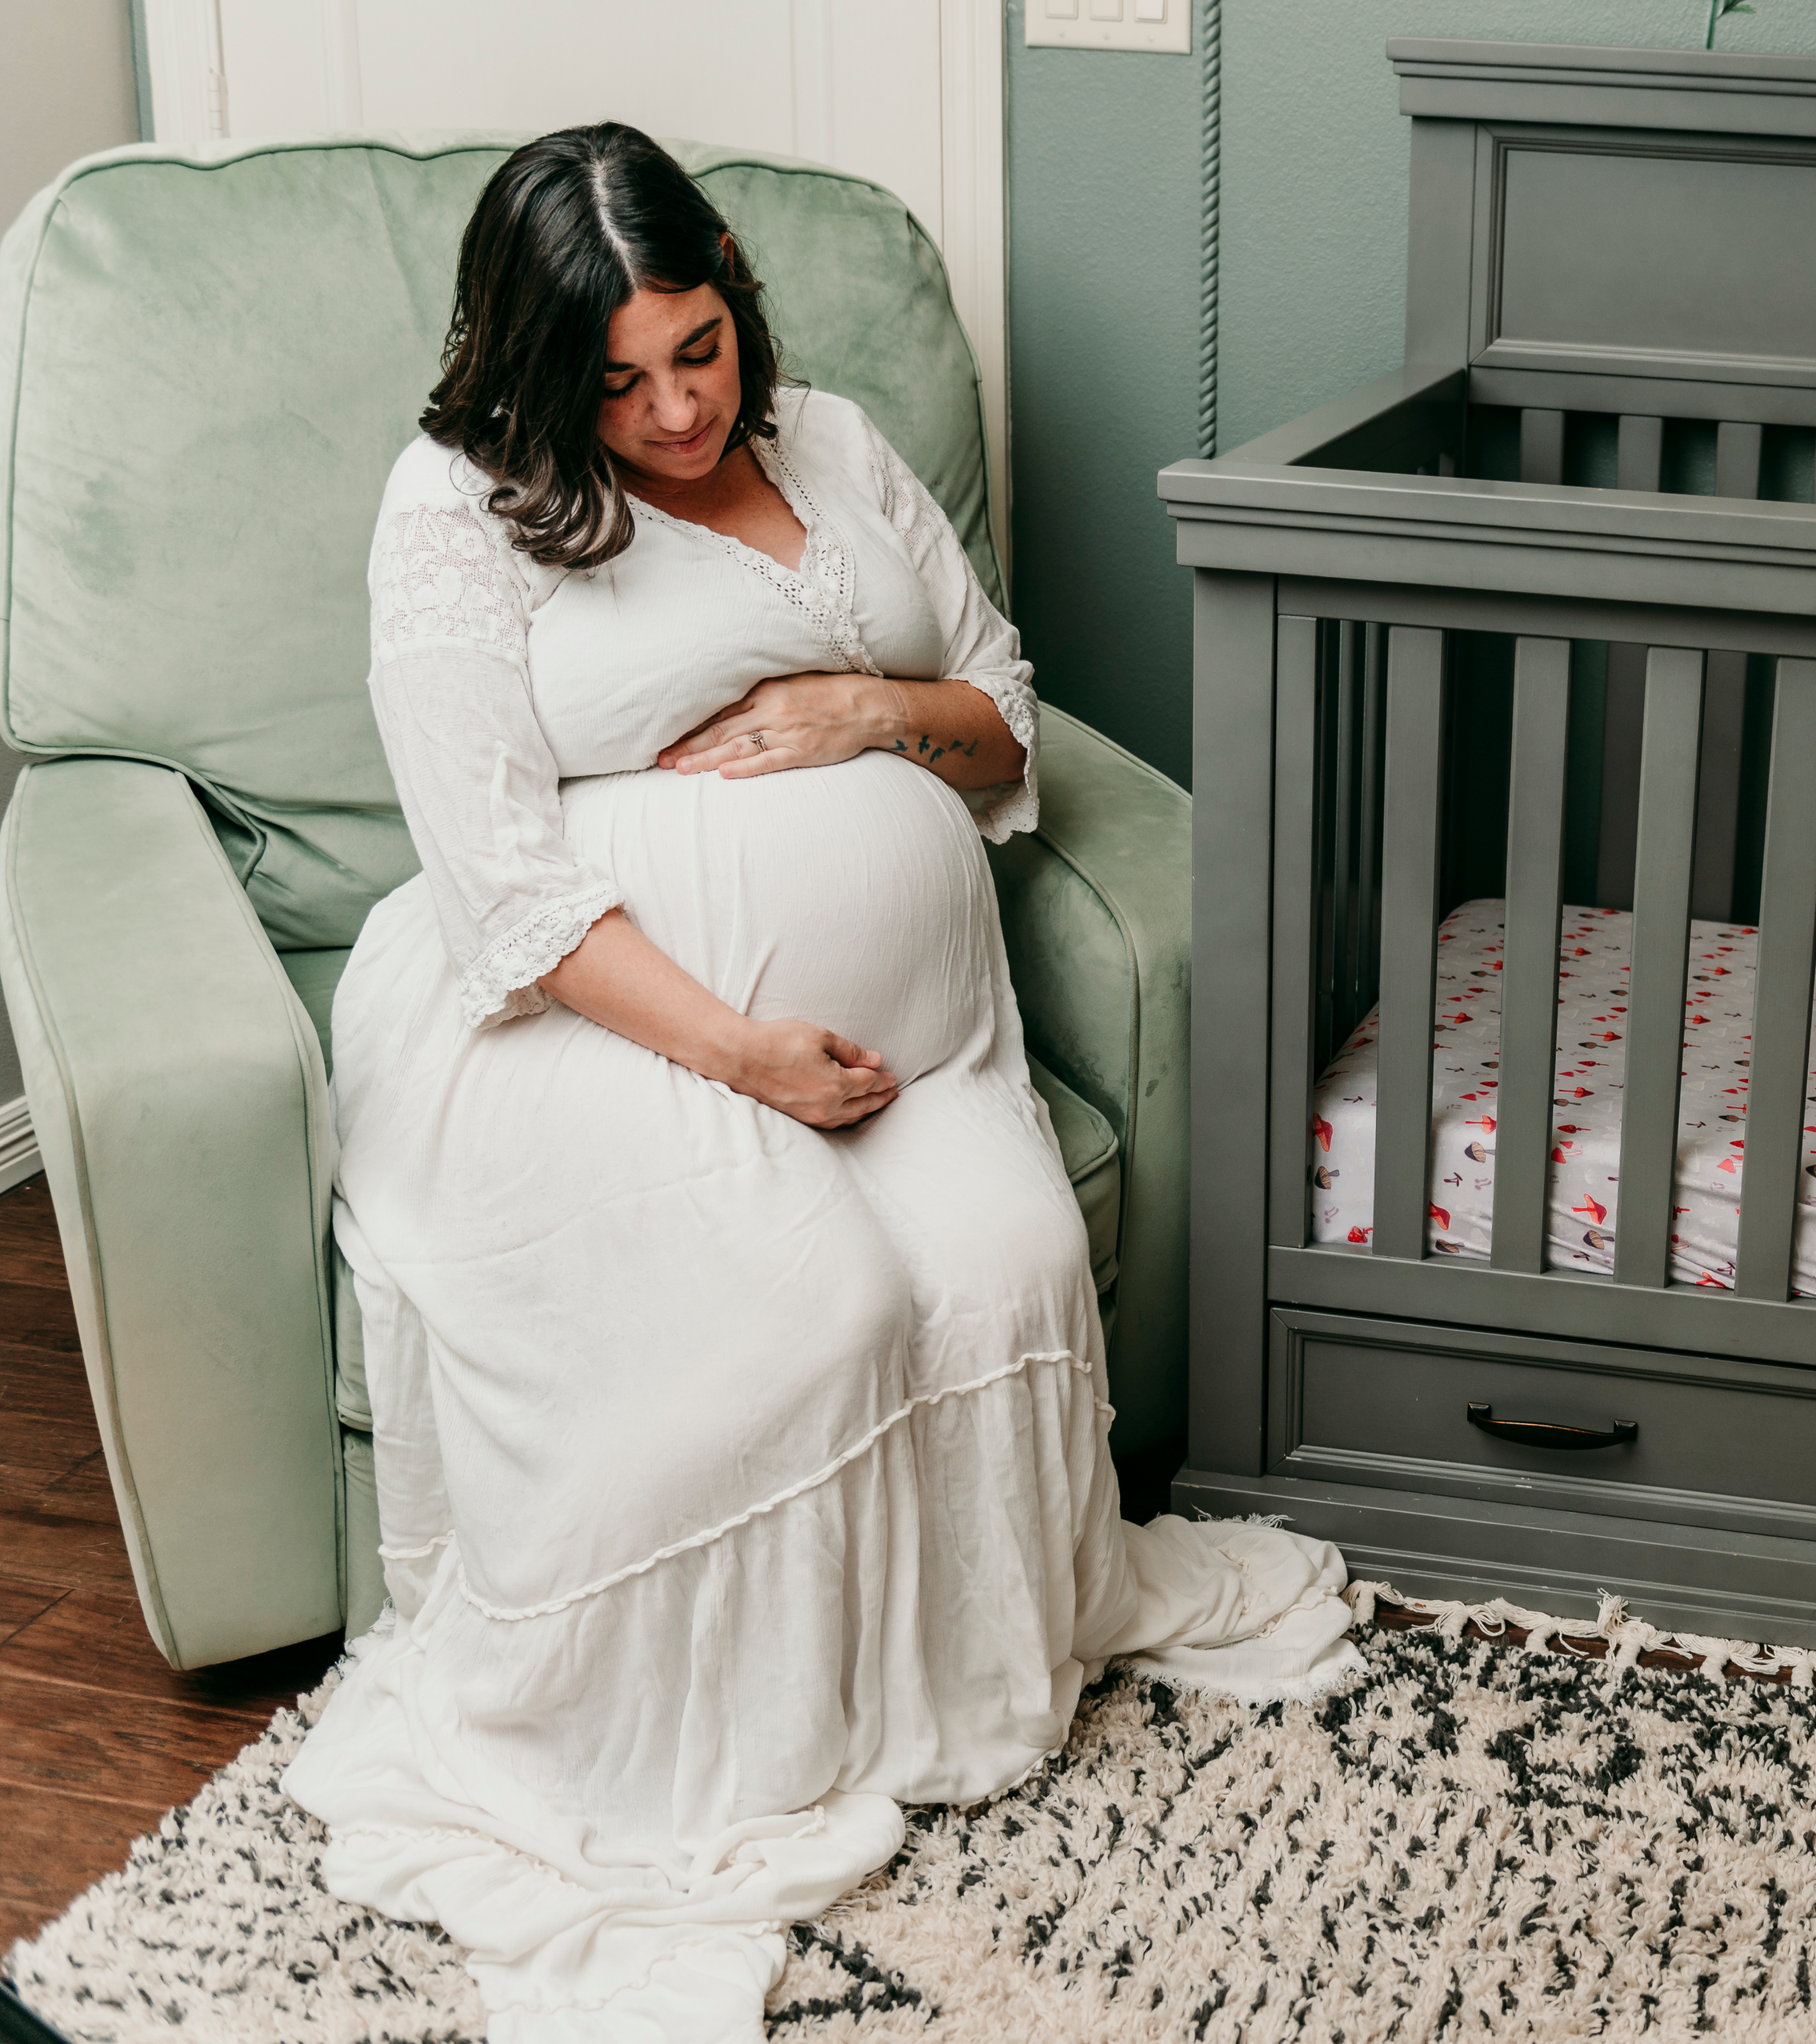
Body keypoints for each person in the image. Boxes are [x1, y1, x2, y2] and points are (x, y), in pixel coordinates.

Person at [279, 124, 1361, 2043]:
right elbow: (500, 885)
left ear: (733, 298)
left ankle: (908, 1708)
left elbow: (1001, 708)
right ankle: (704, 1761)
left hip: (907, 1047)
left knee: (1012, 1270)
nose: (676, 408)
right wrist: (746, 1048)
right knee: (823, 1300)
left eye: (696, 349)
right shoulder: (459, 508)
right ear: (537, 371)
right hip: (578, 1027)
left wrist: (872, 708)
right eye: (614, 380)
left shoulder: (843, 448)